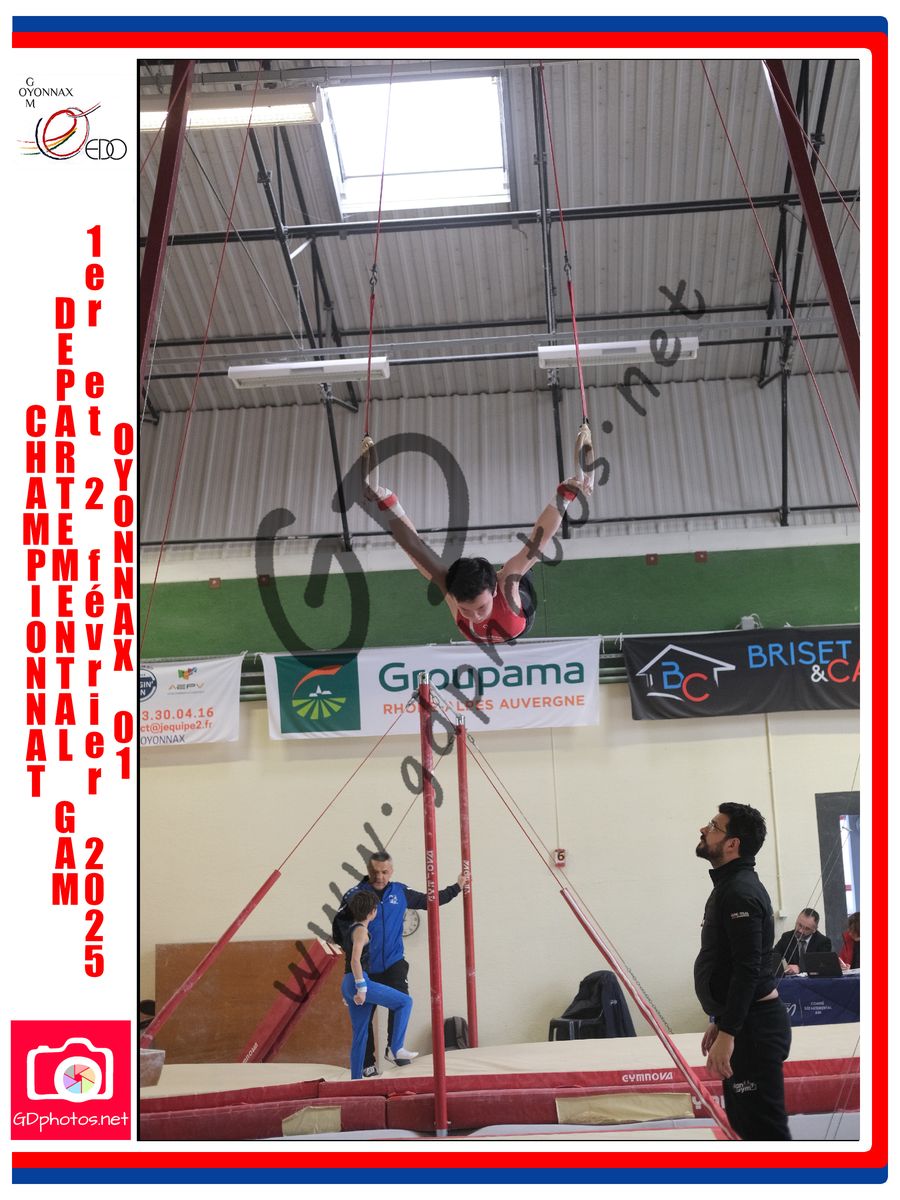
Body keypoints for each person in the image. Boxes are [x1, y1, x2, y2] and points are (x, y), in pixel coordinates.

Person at [363, 463, 591, 645]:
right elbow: (414, 546)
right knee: (430, 566)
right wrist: (386, 498)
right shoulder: (449, 587)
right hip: (497, 611)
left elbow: (540, 539)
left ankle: (508, 575)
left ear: (493, 591)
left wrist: (564, 494)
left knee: (517, 568)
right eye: (465, 610)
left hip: (518, 611)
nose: (476, 616)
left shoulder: (506, 584)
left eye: (481, 607)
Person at [694, 803, 792, 1140]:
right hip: (746, 1023)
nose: (703, 830)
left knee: (765, 1134)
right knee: (746, 1131)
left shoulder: (740, 891)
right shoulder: (730, 885)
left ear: (732, 844)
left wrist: (729, 1031)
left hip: (755, 1029)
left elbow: (748, 969)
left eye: (713, 826)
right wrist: (721, 1019)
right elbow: (729, 962)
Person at [333, 851, 468, 1076]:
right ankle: (367, 1064)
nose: (380, 876)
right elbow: (337, 929)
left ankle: (394, 1049)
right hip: (366, 967)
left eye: (385, 872)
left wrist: (456, 887)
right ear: (368, 871)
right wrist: (354, 961)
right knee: (364, 1019)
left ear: (391, 871)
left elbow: (430, 901)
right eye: (375, 872)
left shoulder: (400, 892)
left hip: (393, 962)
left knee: (400, 1002)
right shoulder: (356, 895)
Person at [341, 891, 417, 1079]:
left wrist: (349, 989)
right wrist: (361, 987)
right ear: (373, 911)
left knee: (360, 1035)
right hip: (359, 980)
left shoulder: (351, 929)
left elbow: (348, 962)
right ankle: (396, 1048)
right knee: (405, 1002)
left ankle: (355, 1079)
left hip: (348, 981)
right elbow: (355, 960)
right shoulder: (361, 931)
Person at [770, 908, 832, 977]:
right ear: (796, 920)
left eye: (807, 928)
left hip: (813, 981)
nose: (801, 931)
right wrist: (781, 969)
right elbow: (773, 956)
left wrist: (800, 968)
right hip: (791, 981)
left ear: (814, 930)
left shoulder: (823, 942)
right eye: (799, 925)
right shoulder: (786, 937)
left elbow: (823, 966)